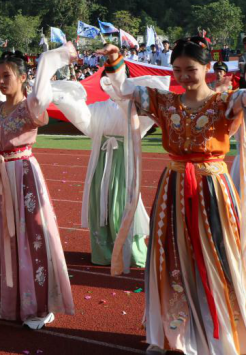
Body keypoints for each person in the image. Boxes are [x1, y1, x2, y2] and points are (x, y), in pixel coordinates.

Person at [100, 38, 246, 354]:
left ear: (207, 67)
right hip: (175, 187)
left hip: (213, 191)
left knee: (216, 257)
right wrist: (114, 62)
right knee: (173, 257)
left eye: (191, 69)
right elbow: (122, 90)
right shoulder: (165, 103)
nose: (183, 76)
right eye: (177, 70)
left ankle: (220, 330)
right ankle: (174, 331)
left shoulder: (227, 102)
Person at [0, 46, 76, 329]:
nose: (0, 81)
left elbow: (41, 96)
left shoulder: (31, 107)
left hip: (23, 176)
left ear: (22, 78)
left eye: (6, 75)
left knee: (29, 238)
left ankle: (39, 308)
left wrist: (50, 60)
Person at [51, 69, 169, 267]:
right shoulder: (99, 107)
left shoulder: (136, 108)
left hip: (125, 160)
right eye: (108, 79)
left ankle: (130, 252)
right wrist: (64, 97)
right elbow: (83, 119)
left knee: (123, 202)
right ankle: (103, 252)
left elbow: (150, 111)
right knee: (101, 201)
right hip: (102, 159)